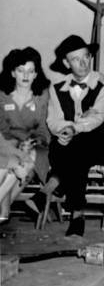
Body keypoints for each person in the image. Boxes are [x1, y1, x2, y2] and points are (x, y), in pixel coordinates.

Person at [27, 35, 104, 237]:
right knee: (71, 151)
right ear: (66, 63)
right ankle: (77, 215)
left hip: (98, 141)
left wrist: (74, 129)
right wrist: (64, 130)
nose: (83, 63)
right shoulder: (56, 88)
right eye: (76, 59)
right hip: (69, 144)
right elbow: (53, 120)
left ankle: (48, 189)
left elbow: (97, 117)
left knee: (78, 145)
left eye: (86, 56)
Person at [0, 47, 51, 217]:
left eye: (31, 71)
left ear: (36, 74)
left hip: (34, 145)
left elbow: (44, 129)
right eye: (21, 70)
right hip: (5, 143)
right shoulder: (2, 94)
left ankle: (3, 212)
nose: (26, 76)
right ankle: (3, 213)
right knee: (12, 165)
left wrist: (33, 142)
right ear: (13, 73)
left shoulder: (42, 95)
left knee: (28, 160)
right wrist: (18, 151)